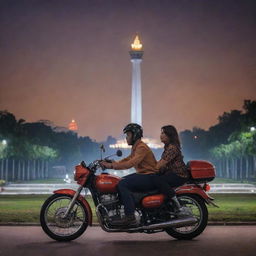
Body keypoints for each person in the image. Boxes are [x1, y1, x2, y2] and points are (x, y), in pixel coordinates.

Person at [100, 123, 157, 226]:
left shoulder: (141, 148)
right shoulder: (136, 147)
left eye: (128, 135)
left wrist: (111, 166)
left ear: (135, 135)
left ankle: (130, 216)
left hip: (149, 176)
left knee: (123, 184)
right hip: (144, 175)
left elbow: (131, 163)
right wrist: (113, 163)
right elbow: (128, 159)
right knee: (119, 181)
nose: (126, 138)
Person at [154, 125, 190, 216]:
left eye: (163, 133)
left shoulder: (172, 148)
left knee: (158, 181)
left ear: (169, 135)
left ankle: (177, 205)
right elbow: (161, 164)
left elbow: (161, 164)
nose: (161, 135)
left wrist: (151, 169)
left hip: (179, 175)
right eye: (161, 133)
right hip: (173, 173)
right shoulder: (168, 147)